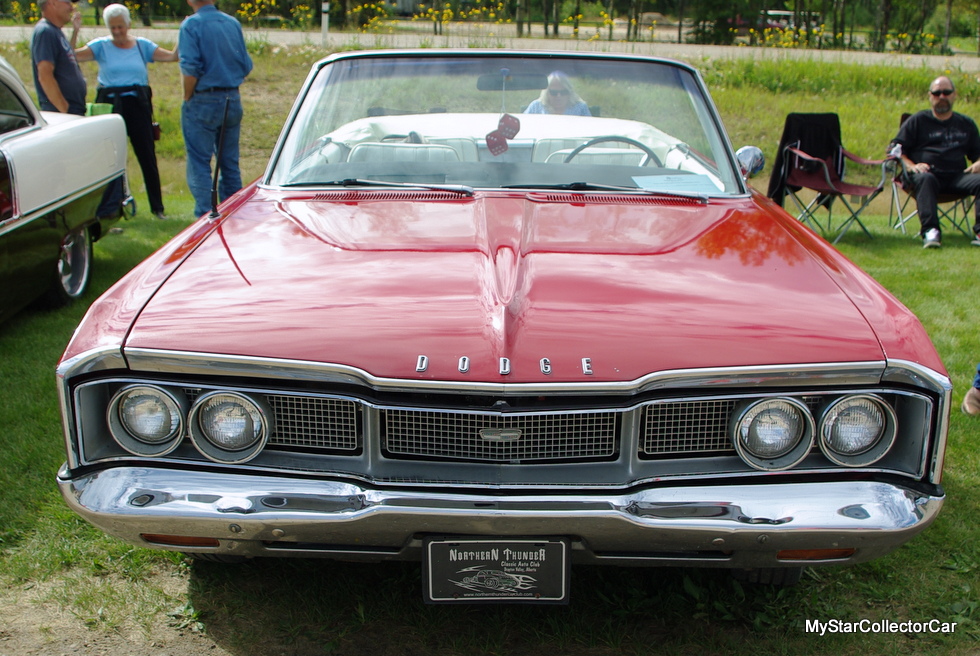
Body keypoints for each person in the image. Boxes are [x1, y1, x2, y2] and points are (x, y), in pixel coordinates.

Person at [75, 4, 178, 220]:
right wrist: (75, 31)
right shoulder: (101, 46)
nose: (117, 32)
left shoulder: (142, 46)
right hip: (111, 105)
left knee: (147, 155)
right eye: (113, 28)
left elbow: (171, 57)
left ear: (129, 25)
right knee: (109, 159)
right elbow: (71, 56)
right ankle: (111, 209)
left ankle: (157, 208)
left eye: (120, 27)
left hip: (137, 105)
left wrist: (183, 31)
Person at [178, 0, 253, 217]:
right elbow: (246, 65)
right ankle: (234, 212)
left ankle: (205, 215)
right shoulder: (232, 23)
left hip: (204, 97)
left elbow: (190, 68)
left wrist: (187, 96)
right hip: (232, 95)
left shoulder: (191, 26)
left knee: (199, 162)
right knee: (229, 161)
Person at [891, 75, 980, 248]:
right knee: (926, 178)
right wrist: (911, 165)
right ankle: (930, 231)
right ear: (930, 96)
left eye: (946, 92)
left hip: (957, 177)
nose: (942, 97)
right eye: (937, 93)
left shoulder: (966, 124)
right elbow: (895, 150)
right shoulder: (917, 121)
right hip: (926, 175)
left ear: (955, 95)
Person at [31, 0, 86, 115]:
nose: (71, 8)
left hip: (72, 109)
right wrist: (64, 110)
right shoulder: (45, 32)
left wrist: (75, 31)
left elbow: (66, 56)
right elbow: (45, 75)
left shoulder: (55, 31)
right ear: (53, 3)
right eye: (67, 3)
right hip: (60, 112)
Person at [524, 71, 591, 117]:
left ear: (569, 92)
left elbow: (590, 131)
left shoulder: (580, 108)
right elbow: (522, 126)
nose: (559, 96)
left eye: (563, 92)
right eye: (554, 92)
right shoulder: (536, 107)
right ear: (546, 92)